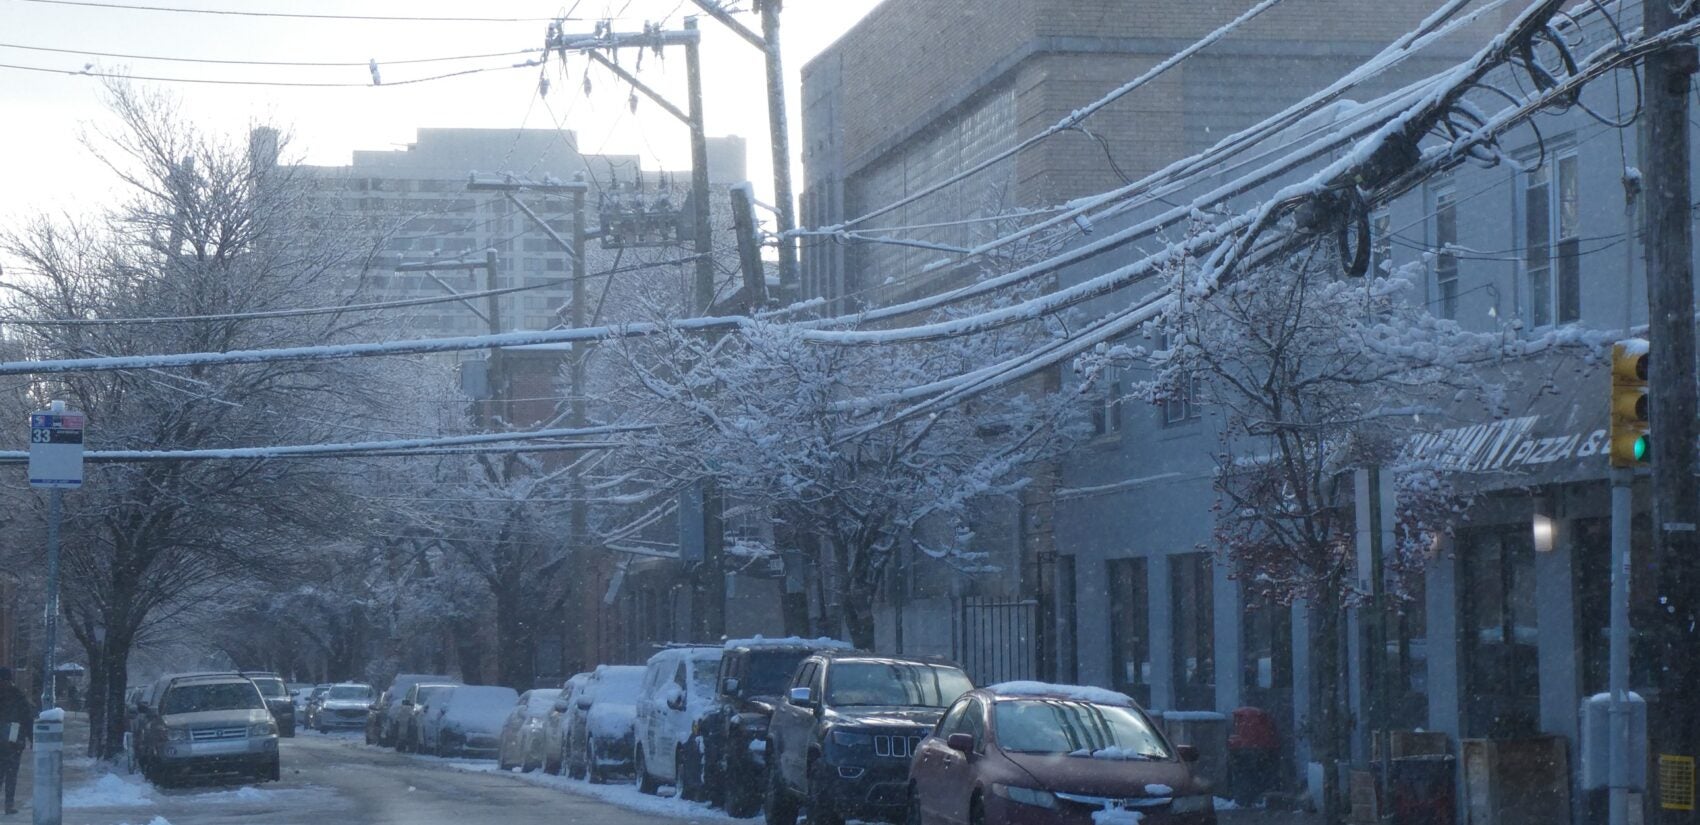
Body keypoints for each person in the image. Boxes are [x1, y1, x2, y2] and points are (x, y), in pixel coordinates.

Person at [0, 667, 33, 816]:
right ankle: (8, 805)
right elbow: (27, 719)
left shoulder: (18, 697)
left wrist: (31, 737)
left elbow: (27, 718)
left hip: (12, 742)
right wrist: (31, 738)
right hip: (13, 742)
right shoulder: (18, 696)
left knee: (9, 774)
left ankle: (8, 804)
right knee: (10, 774)